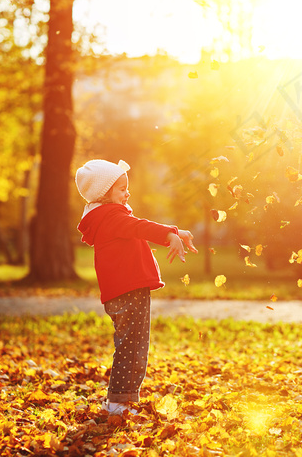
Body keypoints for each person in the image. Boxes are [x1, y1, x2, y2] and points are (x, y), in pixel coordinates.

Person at [75, 159, 198, 415]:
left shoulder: (106, 216)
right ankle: (118, 403)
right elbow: (139, 226)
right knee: (132, 347)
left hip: (124, 291)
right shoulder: (111, 216)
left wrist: (175, 231)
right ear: (104, 192)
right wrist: (168, 234)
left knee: (131, 345)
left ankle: (122, 400)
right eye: (121, 189)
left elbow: (139, 226)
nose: (127, 192)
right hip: (128, 291)